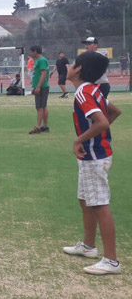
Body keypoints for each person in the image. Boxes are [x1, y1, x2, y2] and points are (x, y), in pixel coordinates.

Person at [62, 50, 122, 275]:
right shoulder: (92, 90)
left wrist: (81, 139)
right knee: (86, 200)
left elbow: (102, 121)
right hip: (92, 155)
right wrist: (95, 135)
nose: (68, 66)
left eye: (72, 63)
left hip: (94, 157)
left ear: (77, 70)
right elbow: (113, 112)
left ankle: (112, 261)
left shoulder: (82, 93)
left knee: (99, 204)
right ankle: (88, 246)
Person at [29, 45, 50, 134]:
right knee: (43, 107)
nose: (30, 53)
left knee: (39, 108)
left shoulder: (41, 60)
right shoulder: (40, 60)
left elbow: (43, 74)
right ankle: (45, 126)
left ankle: (38, 127)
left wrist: (38, 87)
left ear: (35, 52)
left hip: (41, 87)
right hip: (42, 86)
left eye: (31, 51)